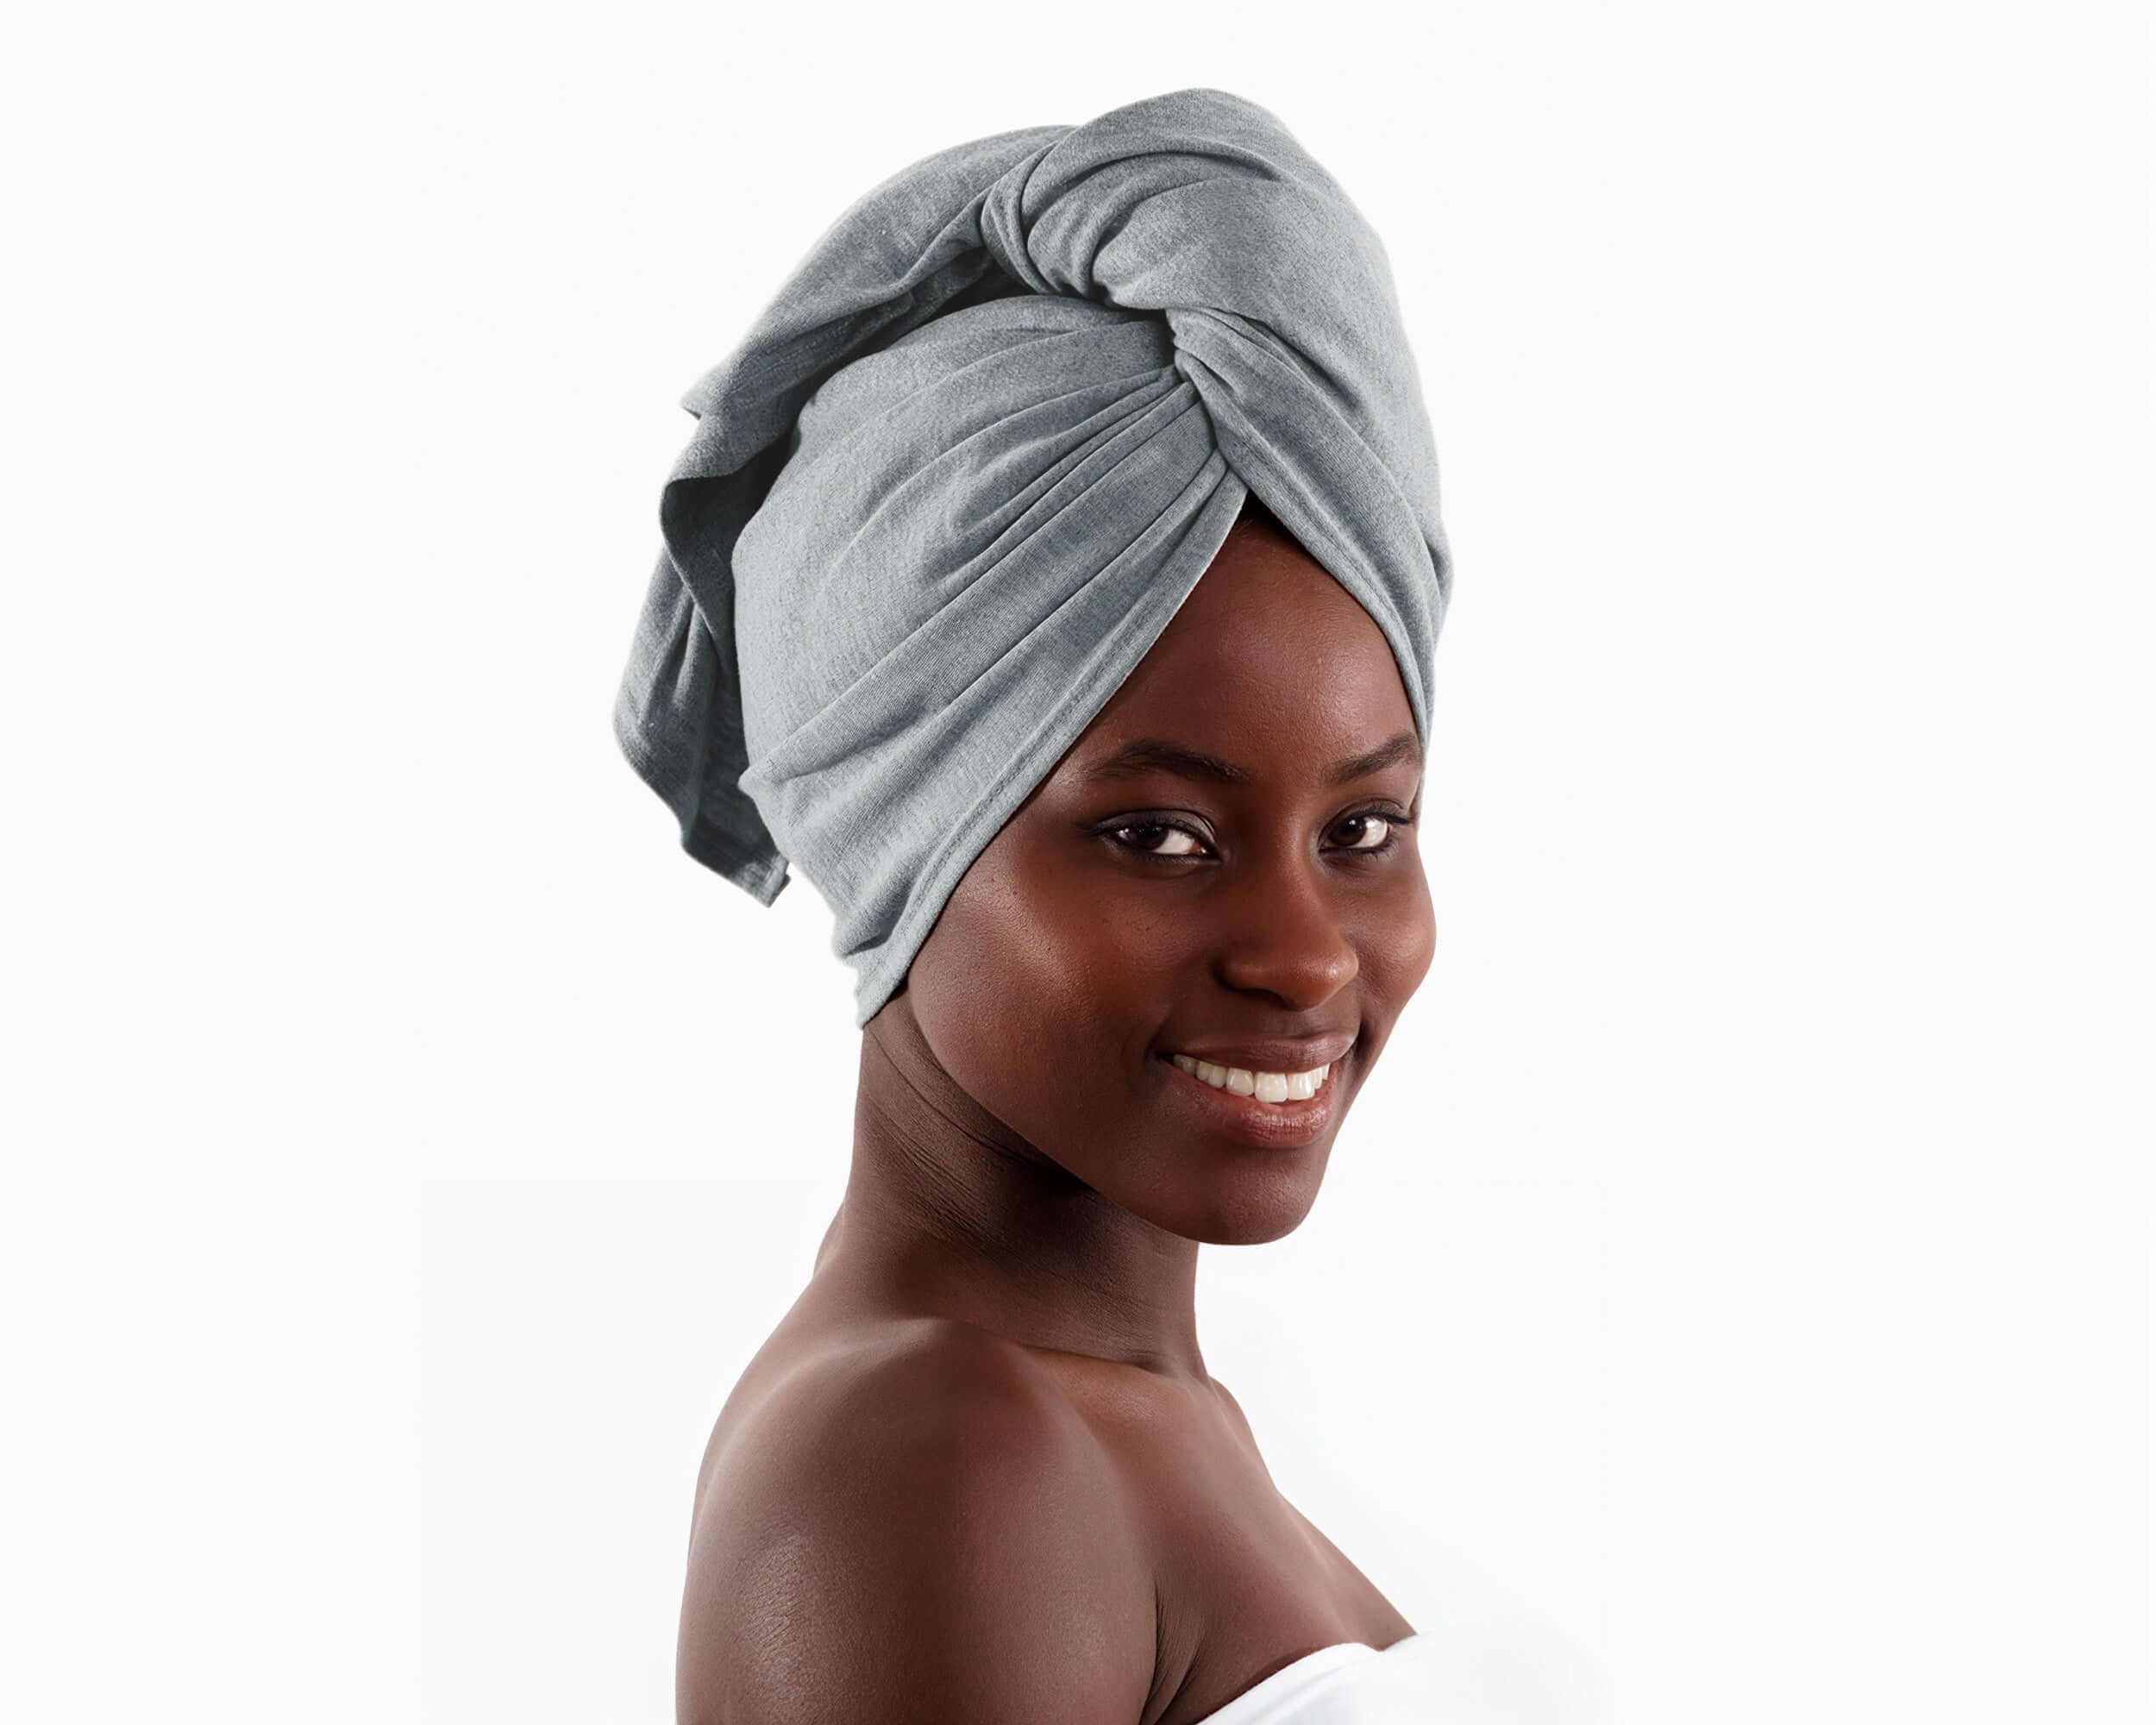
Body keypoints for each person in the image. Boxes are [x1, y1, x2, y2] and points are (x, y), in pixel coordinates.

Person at [617, 88, 1461, 1723]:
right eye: (1156, 835)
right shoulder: (937, 1463)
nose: (1303, 956)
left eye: (1364, 823)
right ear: (894, 831)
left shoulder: (1125, 1419)